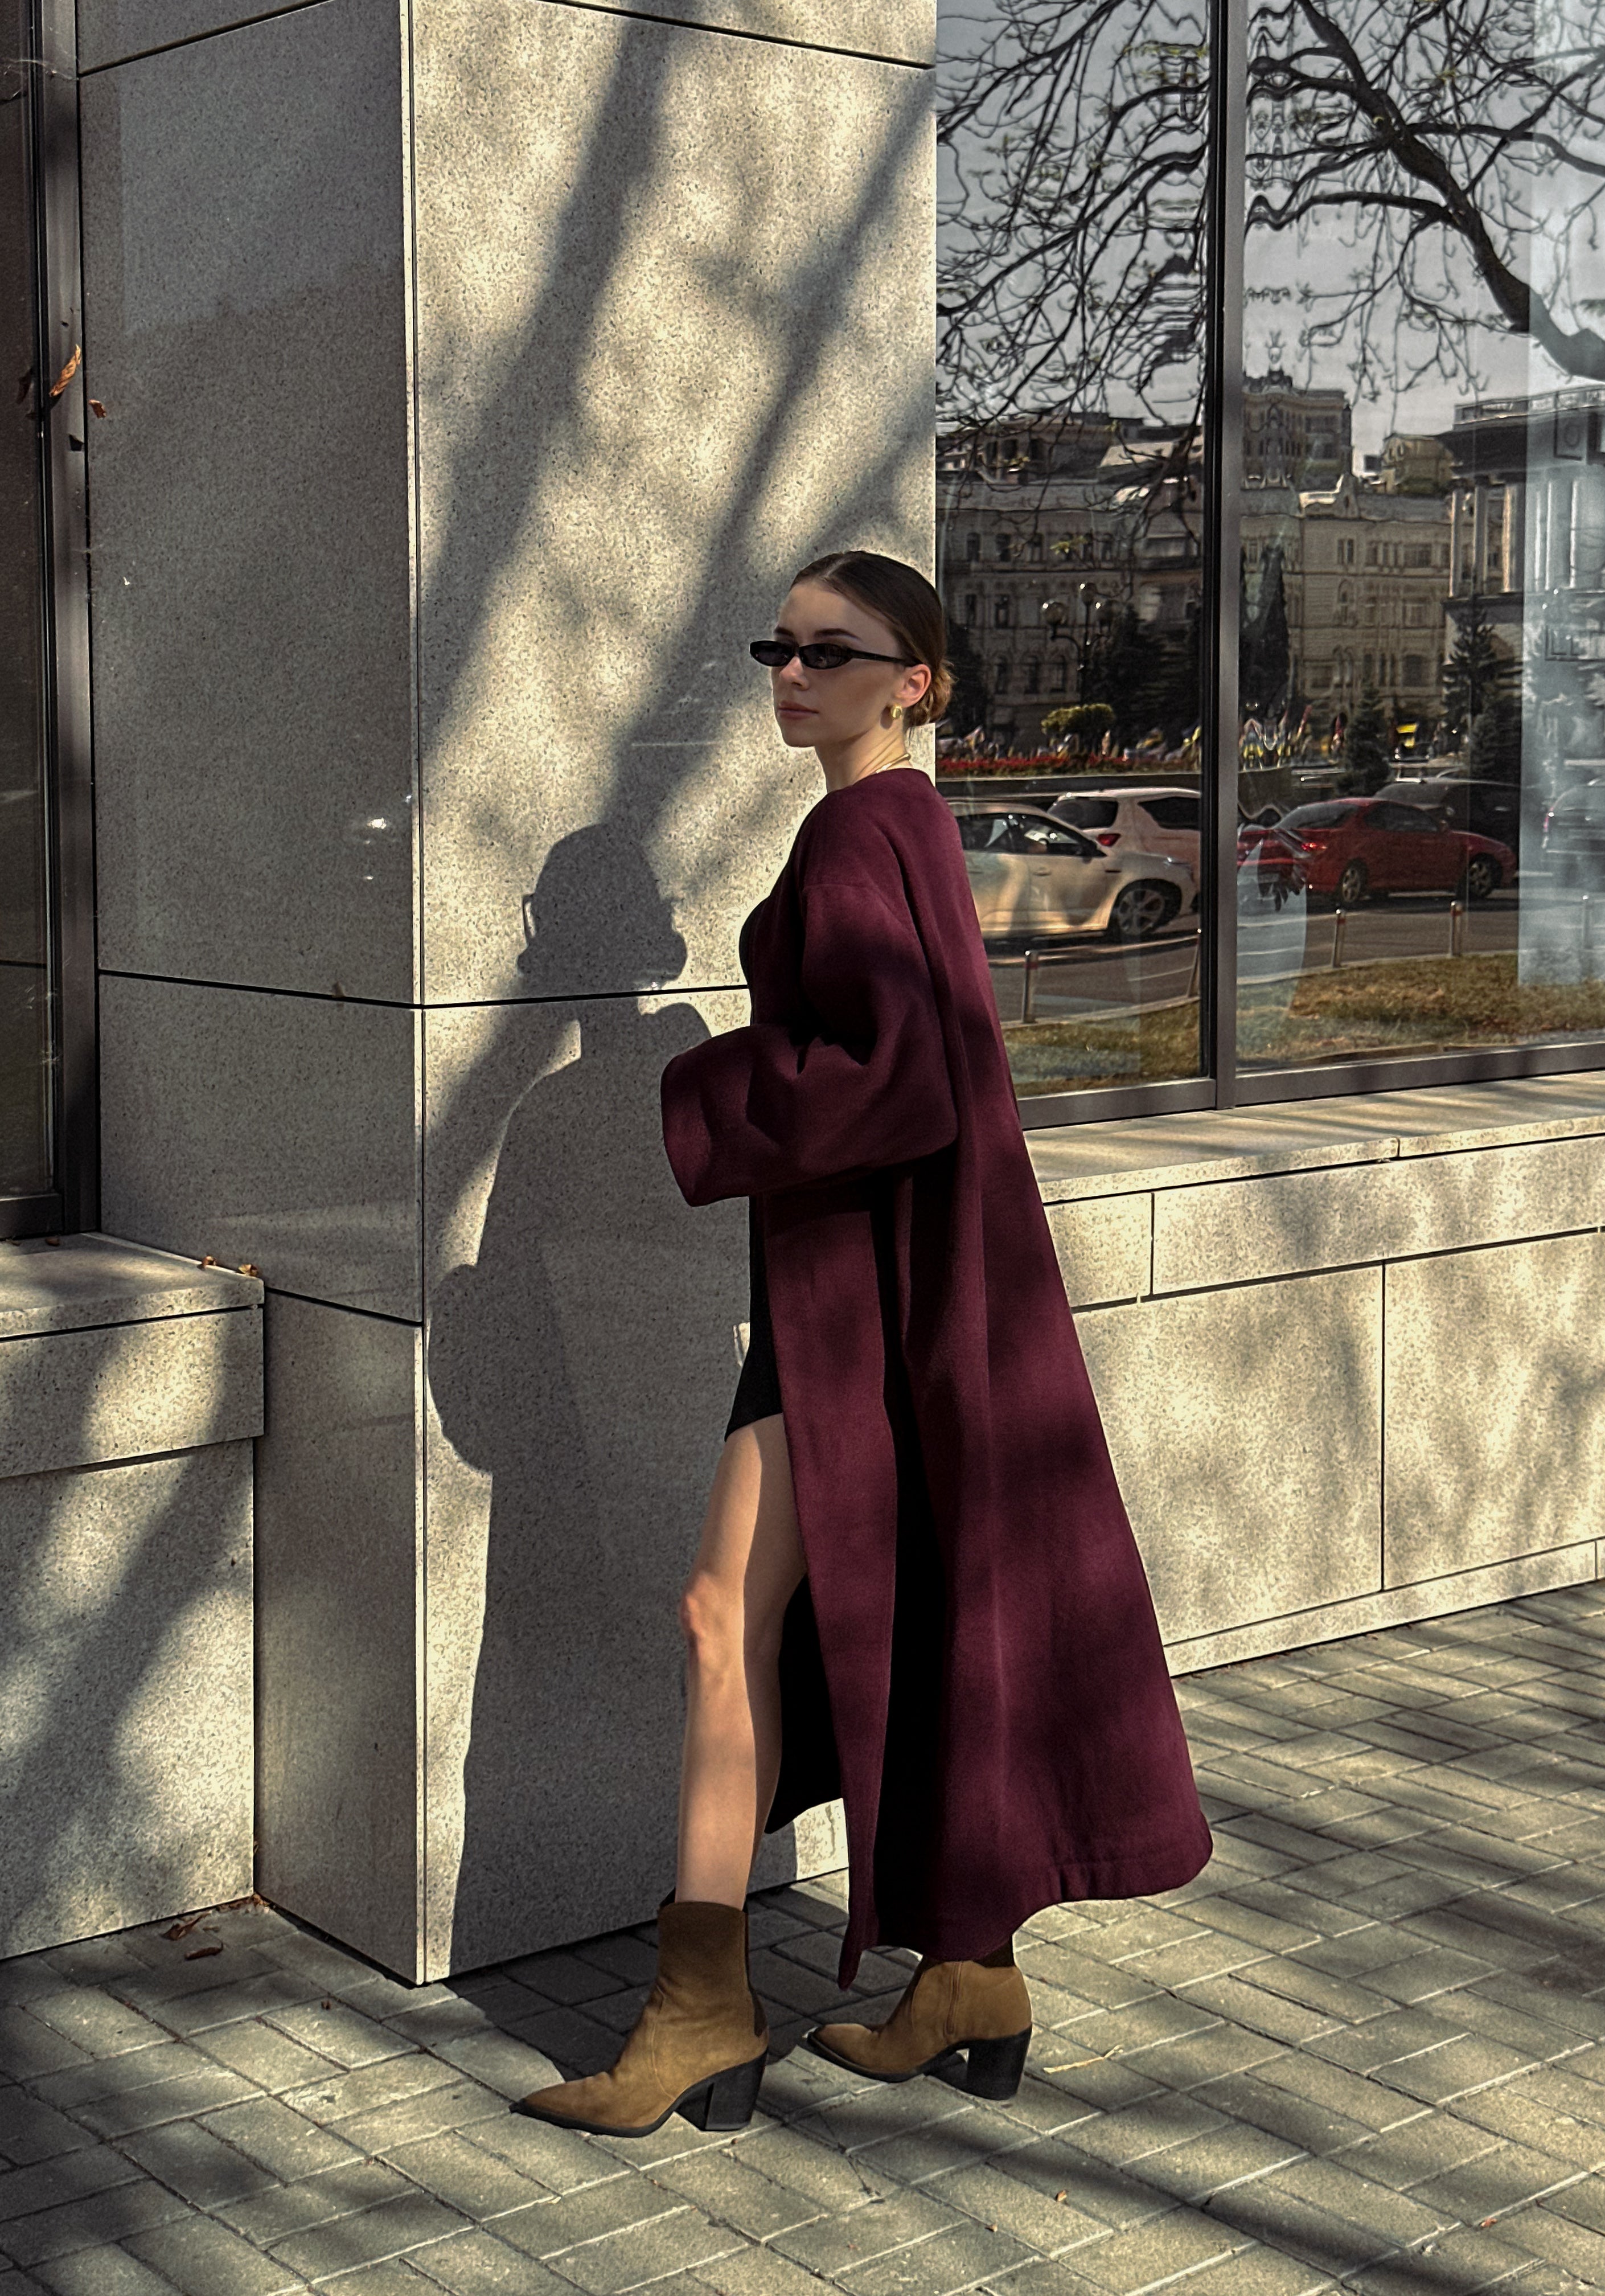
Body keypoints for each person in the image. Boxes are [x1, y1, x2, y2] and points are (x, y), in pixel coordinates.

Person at [518, 551, 1211, 2141]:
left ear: (917, 681)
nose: (793, 674)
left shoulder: (857, 832)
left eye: (832, 652)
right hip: (886, 1300)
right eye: (779, 647)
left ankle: (701, 2013)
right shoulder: (905, 828)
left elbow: (893, 1080)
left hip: (859, 1313)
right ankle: (968, 1981)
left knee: (720, 1617)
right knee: (896, 1610)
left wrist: (704, 1088)